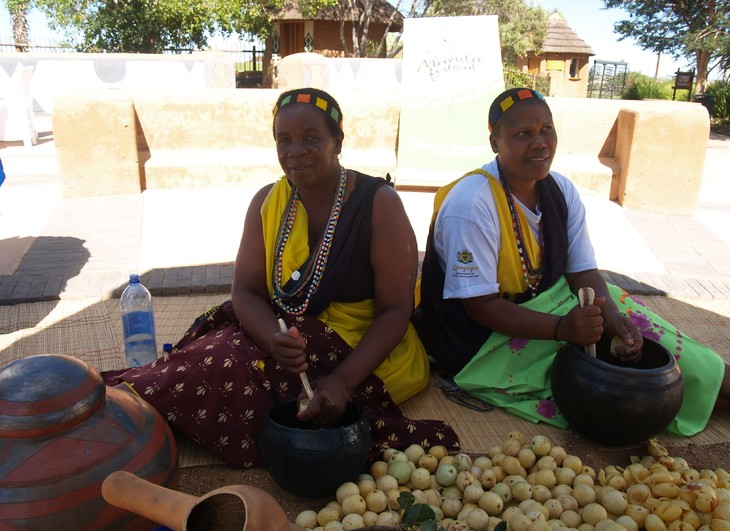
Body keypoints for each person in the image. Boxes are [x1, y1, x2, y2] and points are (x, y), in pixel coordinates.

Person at [103, 88, 459, 467]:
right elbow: (245, 292)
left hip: (363, 353)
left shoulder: (378, 203)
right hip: (285, 334)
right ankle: (120, 408)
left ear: (337, 141)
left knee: (246, 380)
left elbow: (396, 310)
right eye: (283, 140)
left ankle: (132, 422)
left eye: (311, 138)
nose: (295, 151)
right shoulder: (268, 201)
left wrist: (341, 381)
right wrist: (272, 340)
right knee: (213, 352)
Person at [418, 87, 730, 436]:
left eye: (546, 129)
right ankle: (704, 393)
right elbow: (479, 307)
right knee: (617, 388)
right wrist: (562, 330)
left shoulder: (560, 191)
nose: (539, 143)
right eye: (522, 134)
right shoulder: (471, 204)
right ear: (495, 142)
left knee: (644, 336)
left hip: (548, 308)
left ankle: (716, 380)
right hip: (480, 340)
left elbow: (582, 271)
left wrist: (610, 316)